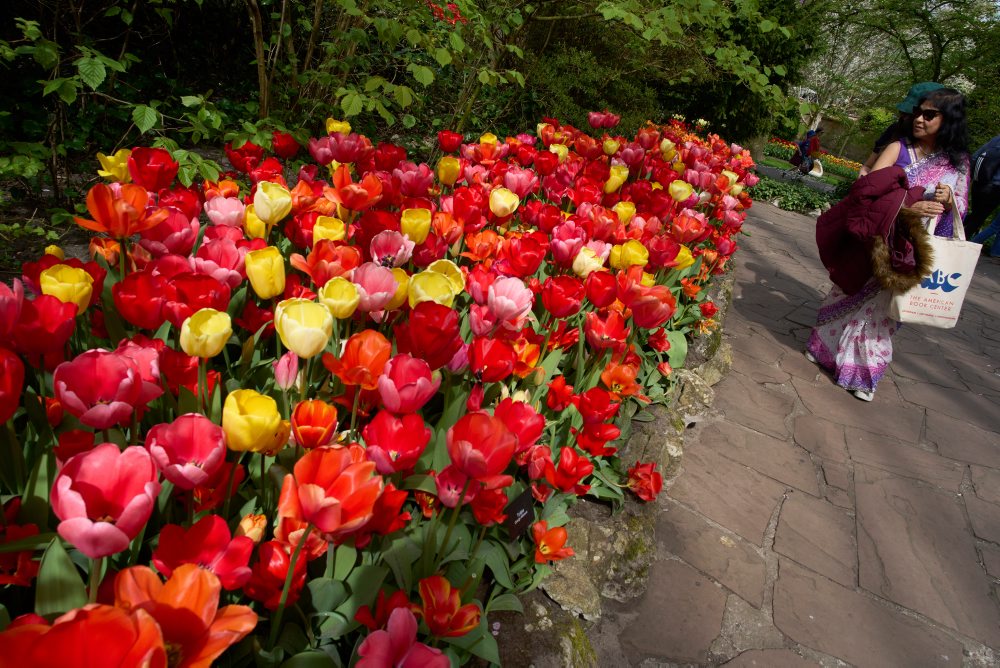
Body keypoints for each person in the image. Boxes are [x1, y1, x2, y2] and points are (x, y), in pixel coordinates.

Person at [806, 87, 970, 401]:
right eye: (919, 112)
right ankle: (824, 349)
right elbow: (867, 196)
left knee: (883, 312)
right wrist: (909, 208)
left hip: (913, 248)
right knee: (847, 293)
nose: (919, 119)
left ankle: (862, 374)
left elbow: (962, 207)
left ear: (949, 120)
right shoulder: (898, 148)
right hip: (879, 241)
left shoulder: (958, 163)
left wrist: (950, 201)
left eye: (929, 114)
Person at [858, 82, 944, 178]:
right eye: (904, 113)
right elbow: (867, 166)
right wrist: (863, 181)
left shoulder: (948, 155)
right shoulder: (895, 130)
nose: (918, 119)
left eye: (928, 115)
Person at [964, 135, 1000, 239]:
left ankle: (952, 229)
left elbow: (976, 156)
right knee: (978, 218)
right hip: (996, 188)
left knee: (975, 214)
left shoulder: (996, 139)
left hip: (979, 182)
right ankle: (961, 243)